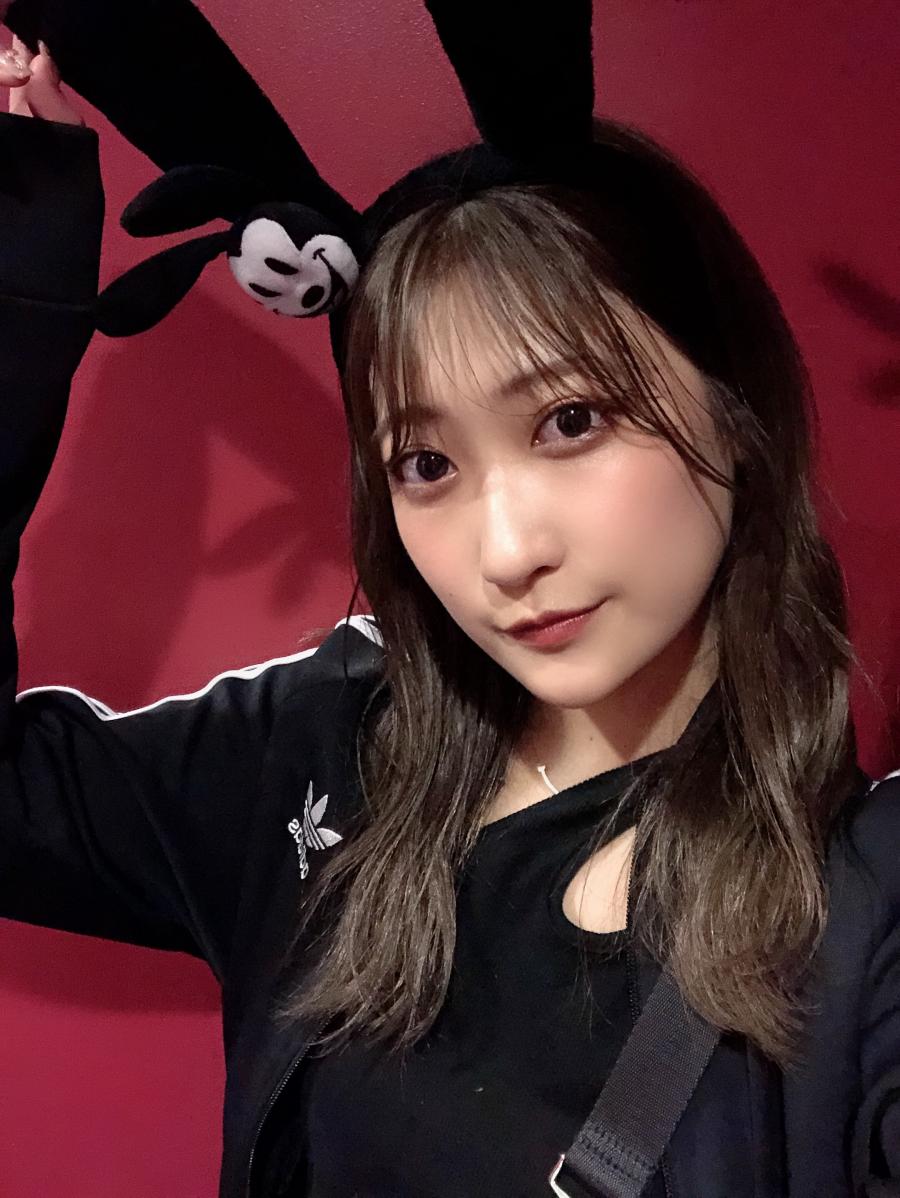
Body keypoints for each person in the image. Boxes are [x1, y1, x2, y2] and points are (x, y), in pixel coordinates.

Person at [1, 23, 899, 1198]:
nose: (507, 552)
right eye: (426, 465)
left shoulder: (866, 907)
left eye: (571, 421)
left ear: (734, 410)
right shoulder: (318, 751)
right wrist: (16, 312)